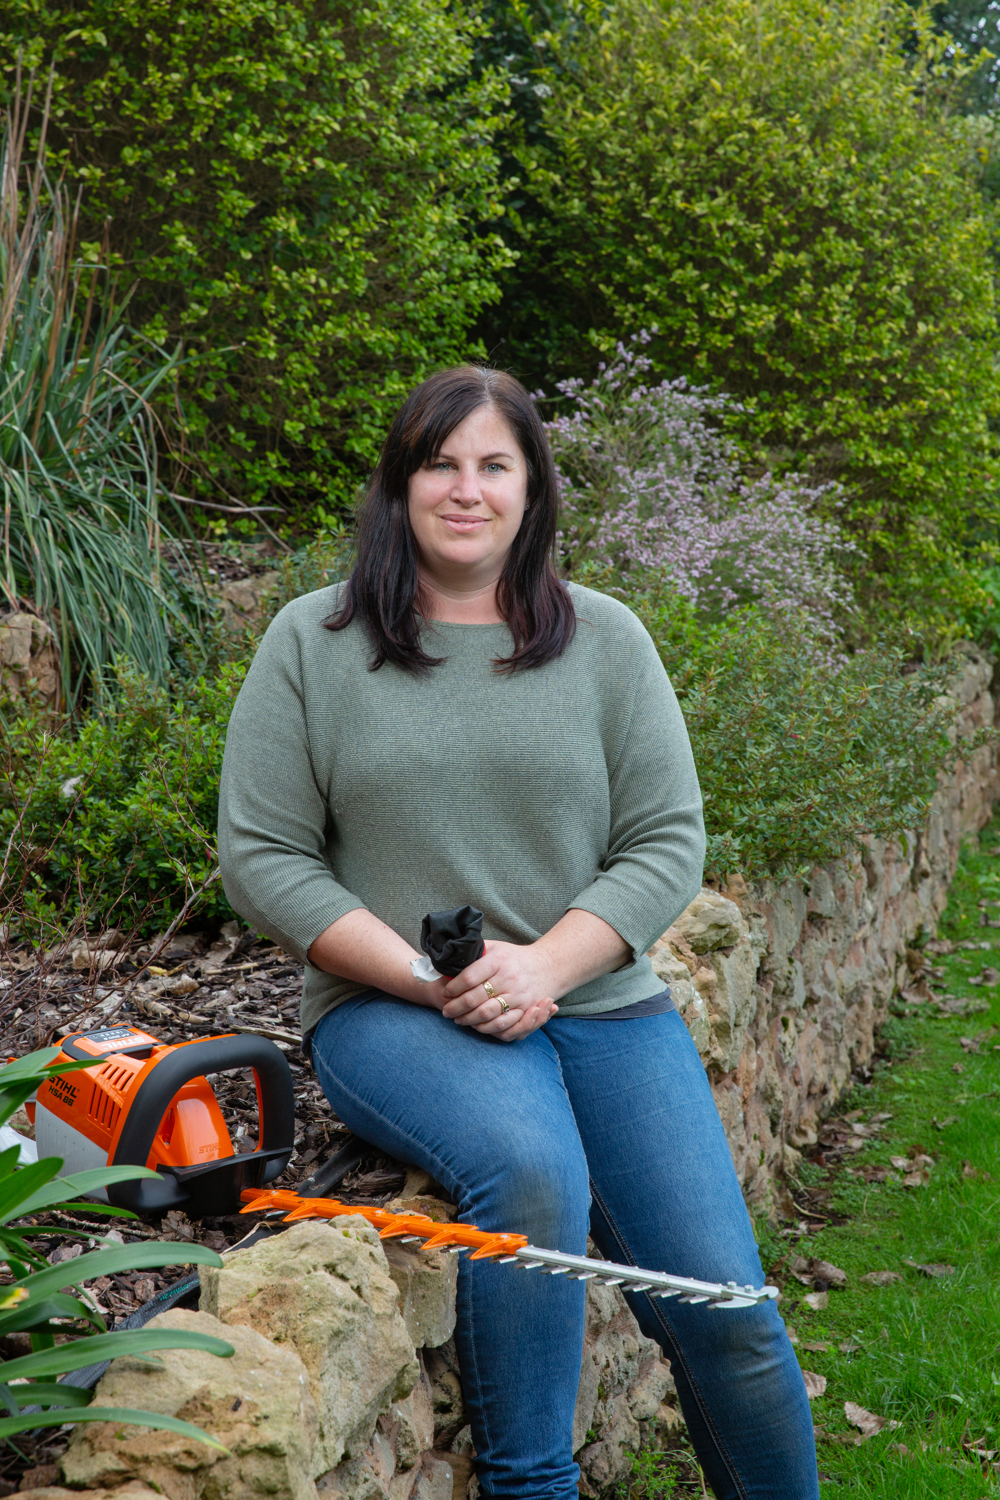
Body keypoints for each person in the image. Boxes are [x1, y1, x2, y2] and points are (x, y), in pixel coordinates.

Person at [218, 366, 818, 1500]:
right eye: (439, 463)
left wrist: (544, 965)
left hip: (599, 1005)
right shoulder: (315, 642)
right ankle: (530, 1485)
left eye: (494, 464)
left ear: (532, 489)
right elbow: (264, 857)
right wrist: (427, 978)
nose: (465, 488)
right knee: (532, 1176)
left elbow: (663, 841)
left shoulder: (605, 642)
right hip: (396, 1011)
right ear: (398, 486)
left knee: (729, 1312)